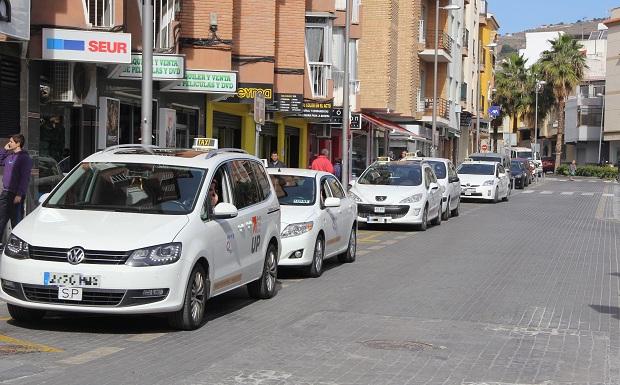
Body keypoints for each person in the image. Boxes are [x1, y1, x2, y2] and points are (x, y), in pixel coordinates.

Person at [0, 134, 34, 241]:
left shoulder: (25, 158)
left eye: (11, 141)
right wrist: (4, 150)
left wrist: (19, 194)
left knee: (16, 222)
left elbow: (25, 178)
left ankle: (18, 244)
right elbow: (0, 160)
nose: (9, 143)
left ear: (18, 143)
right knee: (1, 219)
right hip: (6, 193)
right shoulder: (9, 157)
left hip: (16, 195)